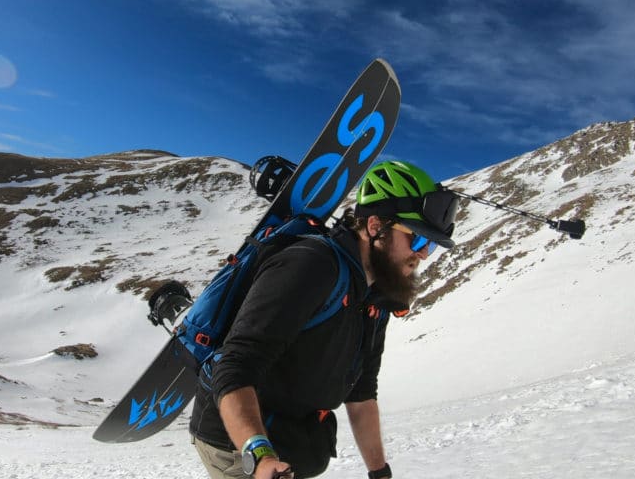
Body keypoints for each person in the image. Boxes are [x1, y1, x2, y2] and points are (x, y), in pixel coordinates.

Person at [190, 161, 459, 479]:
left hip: (288, 446)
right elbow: (235, 366)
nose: (423, 255)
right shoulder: (312, 266)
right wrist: (259, 456)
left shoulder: (375, 298)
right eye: (417, 240)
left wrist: (379, 472)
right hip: (239, 445)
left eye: (430, 246)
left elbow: (361, 394)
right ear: (375, 226)